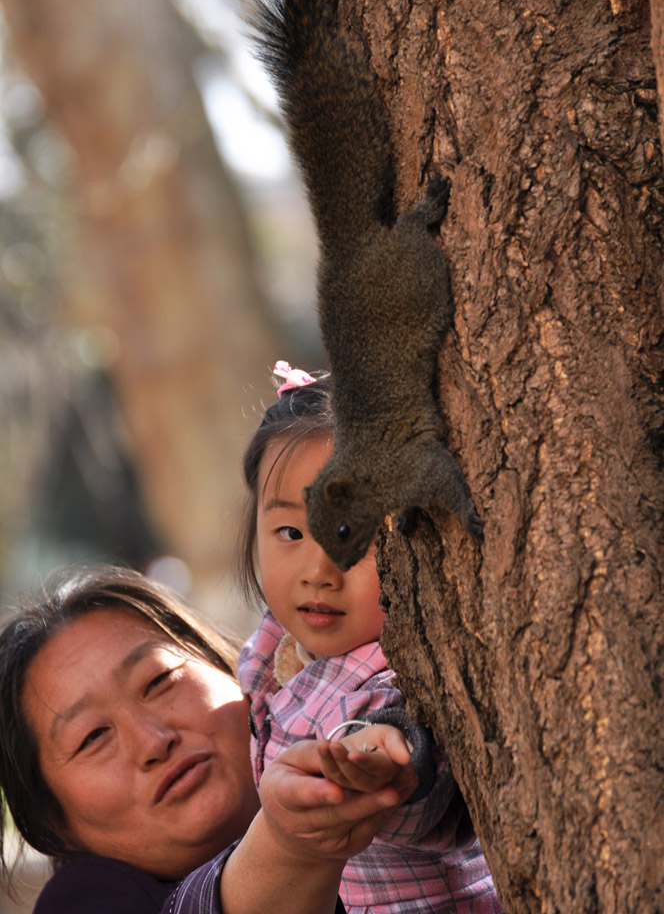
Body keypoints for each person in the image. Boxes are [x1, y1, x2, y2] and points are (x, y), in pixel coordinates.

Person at [237, 363, 504, 914]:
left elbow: (419, 779)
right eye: (290, 532)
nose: (319, 569)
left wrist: (379, 764)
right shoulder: (276, 647)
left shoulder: (406, 667)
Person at [0, 566, 419, 914]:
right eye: (92, 737)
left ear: (233, 669)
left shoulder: (360, 709)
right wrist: (291, 846)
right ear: (54, 825)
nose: (153, 741)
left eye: (159, 680)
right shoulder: (82, 902)